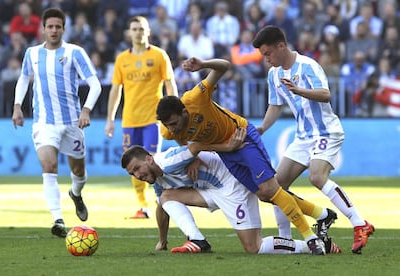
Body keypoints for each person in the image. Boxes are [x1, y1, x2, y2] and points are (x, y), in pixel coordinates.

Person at [156, 57, 336, 255]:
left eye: (173, 123)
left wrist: (204, 64)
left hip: (241, 136)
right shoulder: (169, 130)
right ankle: (322, 214)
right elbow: (186, 141)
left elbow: (224, 66)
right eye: (167, 125)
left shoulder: (195, 98)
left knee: (270, 188)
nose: (171, 129)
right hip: (226, 151)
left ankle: (310, 238)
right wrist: (196, 156)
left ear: (183, 112)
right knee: (263, 194)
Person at [252, 25, 375, 254]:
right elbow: (275, 105)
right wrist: (263, 127)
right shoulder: (274, 74)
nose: (266, 59)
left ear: (281, 46)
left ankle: (360, 223)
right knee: (275, 187)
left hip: (326, 131)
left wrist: (299, 91)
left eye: (268, 53)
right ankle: (286, 239)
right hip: (303, 136)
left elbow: (326, 94)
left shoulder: (308, 66)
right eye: (263, 55)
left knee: (317, 176)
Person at [120, 140, 342, 255]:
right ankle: (197, 240)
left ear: (149, 159)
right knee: (166, 197)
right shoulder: (156, 179)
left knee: (254, 246)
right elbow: (162, 206)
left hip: (230, 184)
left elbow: (195, 145)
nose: (137, 175)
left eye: (138, 168)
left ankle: (312, 244)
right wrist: (163, 240)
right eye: (133, 174)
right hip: (211, 189)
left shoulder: (169, 160)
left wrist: (213, 150)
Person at [11, 8, 102, 238]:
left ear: (63, 28)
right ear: (43, 29)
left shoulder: (74, 52)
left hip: (72, 122)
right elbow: (23, 78)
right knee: (49, 167)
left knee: (78, 172)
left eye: (57, 27)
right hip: (44, 122)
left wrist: (86, 110)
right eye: (49, 26)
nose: (53, 30)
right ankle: (58, 220)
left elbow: (95, 84)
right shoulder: (31, 53)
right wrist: (17, 105)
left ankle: (76, 193)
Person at [104, 16, 178, 219]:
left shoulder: (159, 55)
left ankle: (159, 198)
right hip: (129, 120)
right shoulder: (122, 59)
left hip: (153, 120)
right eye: (134, 29)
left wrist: (175, 111)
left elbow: (170, 84)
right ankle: (143, 206)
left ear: (148, 32)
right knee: (132, 164)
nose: (137, 32)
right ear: (130, 32)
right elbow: (115, 90)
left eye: (141, 29)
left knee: (151, 161)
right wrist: (111, 118)